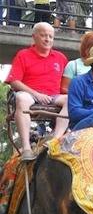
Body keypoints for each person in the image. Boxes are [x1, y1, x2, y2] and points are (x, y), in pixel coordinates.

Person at [4, 22, 69, 161]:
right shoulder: (23, 55)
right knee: (21, 98)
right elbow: (14, 81)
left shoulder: (60, 57)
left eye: (51, 36)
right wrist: (36, 94)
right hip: (30, 95)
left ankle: (55, 141)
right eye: (43, 35)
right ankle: (27, 147)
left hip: (54, 96)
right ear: (34, 37)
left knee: (72, 99)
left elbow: (67, 82)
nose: (47, 39)